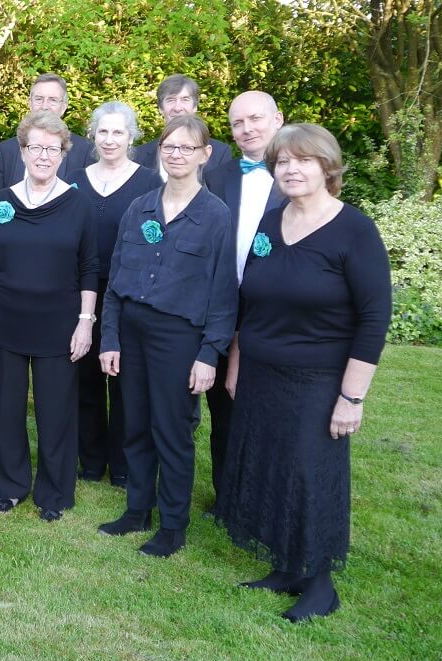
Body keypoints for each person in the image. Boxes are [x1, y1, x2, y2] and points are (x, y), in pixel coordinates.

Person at [217, 124, 391, 622]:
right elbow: (248, 298)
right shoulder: (271, 224)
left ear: (327, 167)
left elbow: (374, 317)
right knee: (271, 468)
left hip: (317, 379)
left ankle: (319, 584)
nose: (291, 170)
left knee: (308, 476)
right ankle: (287, 564)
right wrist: (237, 363)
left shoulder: (353, 230)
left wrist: (351, 397)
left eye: (303, 161)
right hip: (260, 372)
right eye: (282, 162)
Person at [97, 115, 236, 557]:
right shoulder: (140, 208)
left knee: (171, 431)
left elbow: (223, 292)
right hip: (133, 332)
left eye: (187, 148)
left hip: (179, 337)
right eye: (170, 147)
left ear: (204, 155)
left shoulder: (215, 215)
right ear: (159, 150)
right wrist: (110, 338)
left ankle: (173, 526)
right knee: (135, 425)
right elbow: (116, 277)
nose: (177, 155)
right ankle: (137, 509)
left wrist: (210, 354)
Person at [0, 111, 98, 521]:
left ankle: (54, 493)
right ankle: (9, 486)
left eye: (52, 148)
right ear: (22, 151)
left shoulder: (79, 203)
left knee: (55, 410)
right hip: (6, 320)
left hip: (60, 325)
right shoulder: (4, 201)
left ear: (63, 153)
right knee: (5, 408)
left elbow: (89, 268)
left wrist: (85, 321)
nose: (43, 155)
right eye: (35, 147)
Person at [68, 102, 162, 488]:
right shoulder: (73, 179)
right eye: (103, 132)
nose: (110, 140)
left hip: (128, 296)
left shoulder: (150, 183)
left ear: (132, 137)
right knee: (84, 378)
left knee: (125, 381)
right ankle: (90, 460)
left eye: (118, 132)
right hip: (79, 295)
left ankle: (123, 465)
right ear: (92, 135)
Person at [202, 90, 286, 514]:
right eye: (238, 123)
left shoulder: (300, 174)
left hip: (277, 314)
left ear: (277, 119)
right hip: (224, 307)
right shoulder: (219, 177)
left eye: (255, 119)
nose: (247, 129)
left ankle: (266, 500)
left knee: (270, 411)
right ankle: (227, 497)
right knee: (223, 407)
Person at [0, 74, 93, 191]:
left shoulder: (85, 150)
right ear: (30, 103)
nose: (45, 106)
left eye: (53, 100)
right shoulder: (7, 150)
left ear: (64, 106)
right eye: (39, 99)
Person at [134, 74, 232, 177]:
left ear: (195, 107)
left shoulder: (220, 153)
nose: (177, 108)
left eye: (185, 99)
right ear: (160, 108)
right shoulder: (139, 156)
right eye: (171, 100)